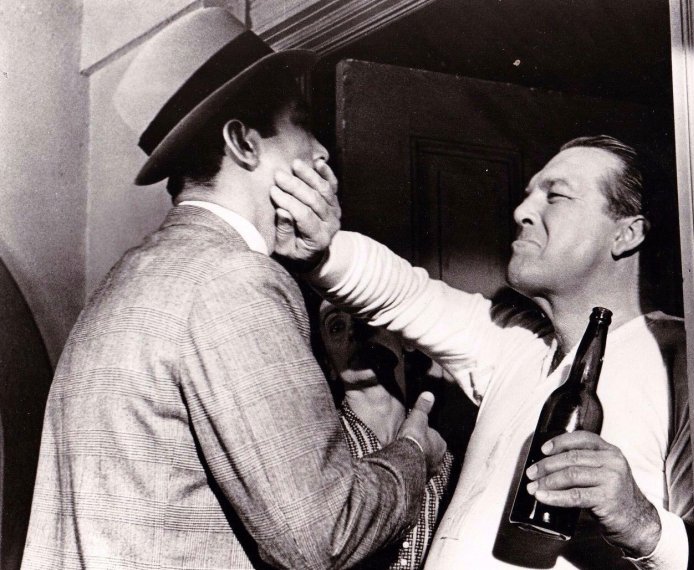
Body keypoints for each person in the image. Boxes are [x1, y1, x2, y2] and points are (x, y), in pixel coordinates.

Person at [20, 8, 445, 570]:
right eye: (302, 123)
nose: (321, 151)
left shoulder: (128, 283)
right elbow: (325, 536)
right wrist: (415, 452)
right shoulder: (234, 280)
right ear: (243, 143)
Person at [290, 135, 693, 568]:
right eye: (529, 194)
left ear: (627, 234)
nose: (521, 212)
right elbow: (403, 293)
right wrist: (319, 248)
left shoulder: (687, 360)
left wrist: (643, 526)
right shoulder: (512, 343)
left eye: (556, 196)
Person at [316, 300, 454, 569]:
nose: (355, 329)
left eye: (366, 312)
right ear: (328, 364)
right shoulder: (320, 450)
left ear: (405, 339)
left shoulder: (446, 461)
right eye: (336, 326)